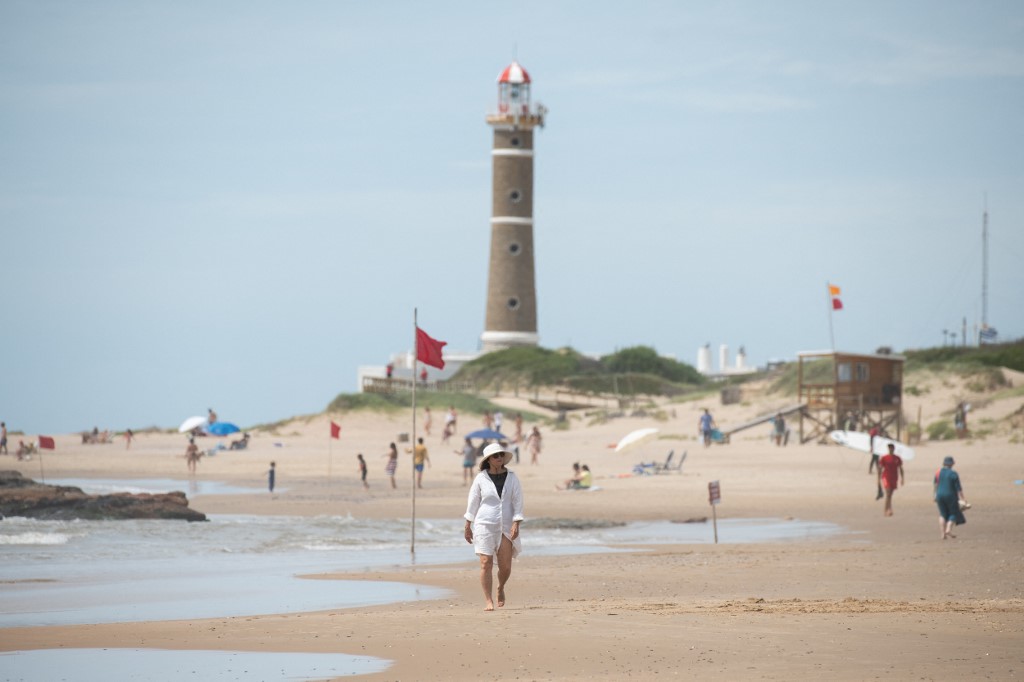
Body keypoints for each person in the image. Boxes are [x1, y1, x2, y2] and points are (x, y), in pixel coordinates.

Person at [463, 442, 524, 611]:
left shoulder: (512, 477)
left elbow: (518, 501)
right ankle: (488, 600)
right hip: (484, 525)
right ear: (488, 460)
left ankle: (500, 587)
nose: (499, 458)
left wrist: (516, 522)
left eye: (501, 455)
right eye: (495, 456)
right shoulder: (481, 478)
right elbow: (473, 502)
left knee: (505, 567)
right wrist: (468, 524)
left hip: (505, 526)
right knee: (485, 563)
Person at [934, 456, 966, 540]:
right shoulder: (953, 474)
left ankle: (942, 534)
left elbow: (936, 485)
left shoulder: (938, 472)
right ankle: (948, 529)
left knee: (942, 514)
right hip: (951, 495)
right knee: (953, 513)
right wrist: (963, 499)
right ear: (952, 464)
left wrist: (935, 495)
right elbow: (959, 488)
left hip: (939, 495)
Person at [877, 443, 904, 517]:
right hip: (886, 477)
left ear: (893, 449)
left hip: (894, 477)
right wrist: (878, 479)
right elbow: (880, 468)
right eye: (889, 448)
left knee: (890, 494)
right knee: (888, 493)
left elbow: (900, 468)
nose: (891, 449)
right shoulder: (884, 458)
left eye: (892, 448)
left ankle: (889, 508)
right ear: (888, 449)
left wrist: (902, 478)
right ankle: (887, 510)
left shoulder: (897, 458)